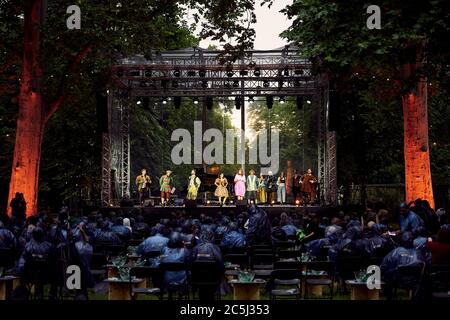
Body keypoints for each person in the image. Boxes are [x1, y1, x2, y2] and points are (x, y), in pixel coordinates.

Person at [381, 232, 428, 300]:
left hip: (396, 281)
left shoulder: (394, 252)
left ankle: (389, 297)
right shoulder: (419, 253)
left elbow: (383, 267)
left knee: (388, 276)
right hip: (413, 282)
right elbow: (425, 267)